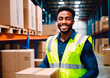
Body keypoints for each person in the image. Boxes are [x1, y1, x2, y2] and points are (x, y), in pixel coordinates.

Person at [38, 6, 99, 78]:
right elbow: (46, 63)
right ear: (57, 21)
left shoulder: (83, 41)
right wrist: (35, 73)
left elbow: (93, 70)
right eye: (60, 19)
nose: (63, 22)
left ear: (73, 22)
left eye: (68, 19)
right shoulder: (50, 41)